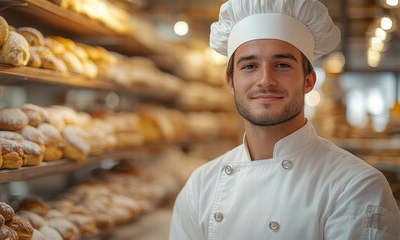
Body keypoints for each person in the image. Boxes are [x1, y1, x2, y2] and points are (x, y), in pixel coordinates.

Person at [169, 0, 400, 239]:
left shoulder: (355, 186)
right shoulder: (200, 187)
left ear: (309, 80)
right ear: (231, 82)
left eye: (282, 64)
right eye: (249, 66)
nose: (265, 80)